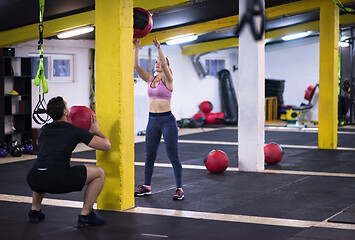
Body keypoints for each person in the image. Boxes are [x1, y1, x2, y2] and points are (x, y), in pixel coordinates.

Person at [26, 96, 111, 227]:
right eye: (66, 106)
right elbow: (106, 146)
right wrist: (97, 131)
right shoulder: (74, 131)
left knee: (43, 167)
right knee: (99, 172)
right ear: (65, 112)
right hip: (57, 179)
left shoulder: (43, 130)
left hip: (34, 178)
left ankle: (35, 211)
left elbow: (39, 144)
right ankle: (86, 215)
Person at [133, 37, 184, 200]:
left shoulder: (169, 80)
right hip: (152, 121)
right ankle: (147, 186)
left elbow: (163, 63)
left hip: (167, 121)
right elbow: (136, 66)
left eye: (160, 63)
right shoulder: (150, 79)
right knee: (150, 156)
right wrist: (136, 47)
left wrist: (159, 48)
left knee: (172, 155)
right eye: (155, 62)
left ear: (167, 66)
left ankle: (179, 189)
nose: (157, 64)